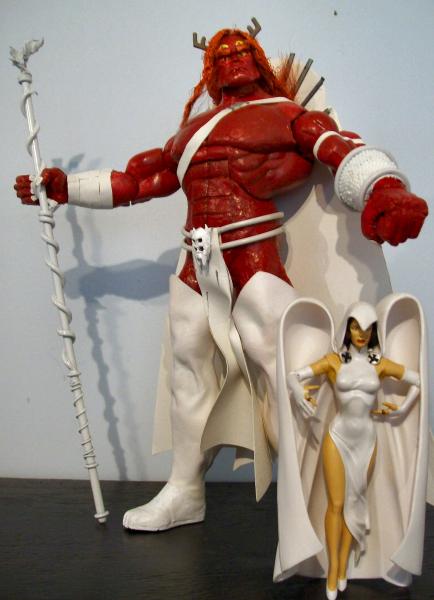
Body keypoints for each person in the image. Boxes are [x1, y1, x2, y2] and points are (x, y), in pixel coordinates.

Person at [14, 23, 428, 532]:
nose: (232, 57)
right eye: (221, 53)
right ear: (209, 69)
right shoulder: (190, 133)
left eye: (241, 50)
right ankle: (185, 491)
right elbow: (138, 180)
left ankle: (320, 497)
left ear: (257, 59)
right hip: (196, 261)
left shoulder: (288, 115)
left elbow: (339, 147)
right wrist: (66, 188)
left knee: (291, 370)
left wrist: (385, 188)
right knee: (187, 373)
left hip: (253, 253)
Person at [285, 301, 421, 598]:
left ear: (374, 331)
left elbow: (417, 381)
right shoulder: (334, 361)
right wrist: (297, 392)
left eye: (368, 328)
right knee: (335, 504)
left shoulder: (379, 363)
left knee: (354, 504)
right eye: (356, 326)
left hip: (367, 441)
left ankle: (344, 565)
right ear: (347, 327)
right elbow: (293, 375)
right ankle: (333, 570)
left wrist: (401, 409)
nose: (361, 333)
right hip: (338, 437)